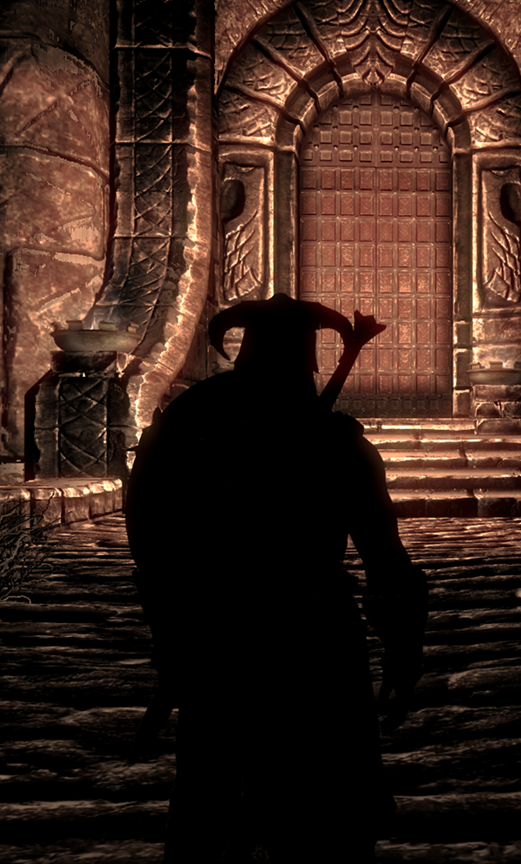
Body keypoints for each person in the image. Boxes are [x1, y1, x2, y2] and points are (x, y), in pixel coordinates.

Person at [124, 293, 428, 863]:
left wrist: (172, 625)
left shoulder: (187, 424)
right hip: (293, 638)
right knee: (253, 806)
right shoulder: (331, 441)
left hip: (242, 637)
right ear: (309, 358)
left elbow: (146, 533)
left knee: (237, 804)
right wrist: (404, 649)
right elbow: (385, 561)